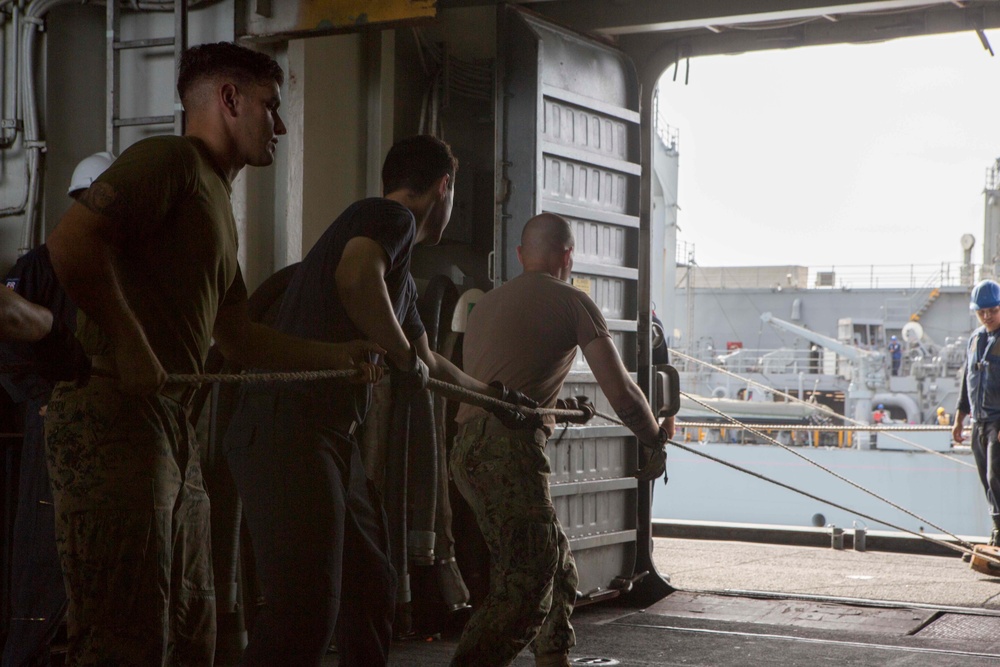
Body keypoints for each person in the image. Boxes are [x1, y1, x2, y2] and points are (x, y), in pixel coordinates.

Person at [42, 42, 381, 665]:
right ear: (229, 100)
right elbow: (71, 242)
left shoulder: (216, 201)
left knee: (192, 627)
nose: (279, 126)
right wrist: (131, 340)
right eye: (270, 108)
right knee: (125, 635)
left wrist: (341, 355)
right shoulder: (166, 160)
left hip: (170, 424)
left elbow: (241, 338)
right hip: (114, 411)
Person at [223, 134, 535, 666]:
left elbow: (427, 360)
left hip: (327, 438)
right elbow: (354, 276)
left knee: (371, 585)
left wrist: (498, 400)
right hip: (286, 429)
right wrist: (400, 353)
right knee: (304, 613)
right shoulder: (391, 219)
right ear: (445, 186)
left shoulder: (403, 278)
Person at [450, 213, 674, 667]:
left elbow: (505, 380)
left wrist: (560, 405)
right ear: (568, 256)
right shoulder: (574, 302)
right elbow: (624, 394)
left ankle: (555, 661)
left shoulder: (488, 304)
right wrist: (653, 439)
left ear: (519, 256)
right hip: (506, 452)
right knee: (529, 582)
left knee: (558, 570)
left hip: (467, 451)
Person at [0, 151, 110, 666]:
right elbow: (9, 347)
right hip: (54, 424)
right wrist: (41, 403)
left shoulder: (123, 268)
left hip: (111, 425)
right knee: (45, 551)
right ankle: (29, 655)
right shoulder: (39, 265)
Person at [954, 279, 1000, 547]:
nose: (987, 316)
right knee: (986, 478)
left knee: (997, 477)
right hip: (978, 421)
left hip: (997, 421)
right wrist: (959, 418)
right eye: (981, 312)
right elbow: (967, 380)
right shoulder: (975, 339)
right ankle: (997, 531)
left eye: (992, 310)